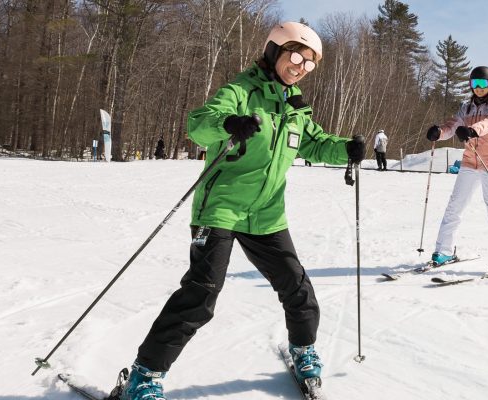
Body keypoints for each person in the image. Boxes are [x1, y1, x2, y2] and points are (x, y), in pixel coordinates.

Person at [119, 22, 366, 400]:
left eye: (310, 63)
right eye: (296, 56)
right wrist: (228, 124)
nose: (300, 67)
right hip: (220, 210)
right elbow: (199, 126)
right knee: (201, 294)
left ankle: (303, 350)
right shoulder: (239, 92)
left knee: (297, 288)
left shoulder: (295, 107)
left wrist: (346, 148)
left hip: (266, 214)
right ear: (274, 51)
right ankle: (145, 375)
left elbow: (315, 144)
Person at [425, 66, 488, 273]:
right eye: (474, 84)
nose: (478, 88)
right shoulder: (466, 107)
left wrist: (473, 130)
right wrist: (438, 132)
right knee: (454, 205)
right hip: (470, 161)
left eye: (482, 84)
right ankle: (444, 251)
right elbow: (452, 126)